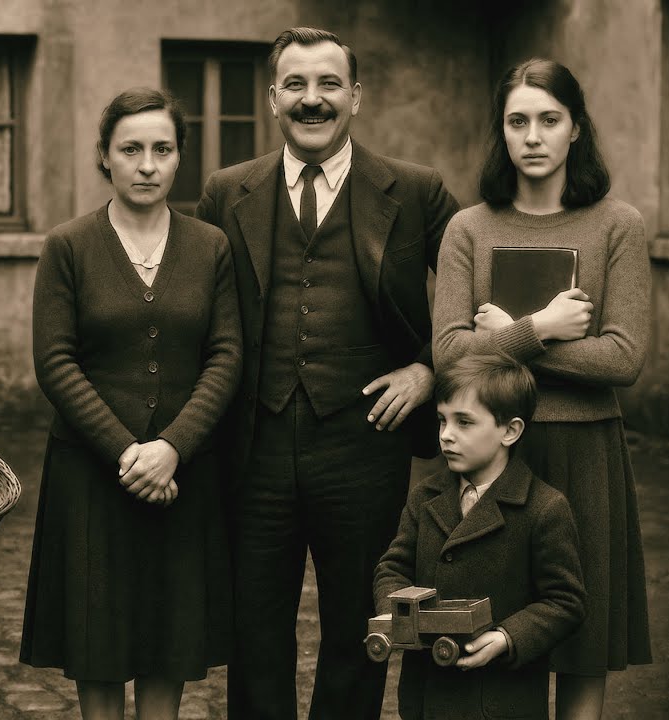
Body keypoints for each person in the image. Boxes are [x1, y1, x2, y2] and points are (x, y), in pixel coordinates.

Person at [195, 26, 460, 720]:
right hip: (253, 448)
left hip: (365, 448)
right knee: (254, 632)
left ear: (357, 96)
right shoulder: (227, 193)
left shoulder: (417, 191)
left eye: (329, 85)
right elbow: (199, 311)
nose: (313, 100)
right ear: (272, 97)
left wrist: (427, 372)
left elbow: (476, 298)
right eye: (296, 85)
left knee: (358, 630)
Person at [432, 57, 654, 720]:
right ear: (501, 132)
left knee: (581, 640)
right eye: (517, 121)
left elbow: (623, 359)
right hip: (492, 458)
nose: (532, 136)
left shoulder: (619, 225)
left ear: (575, 130)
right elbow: (448, 355)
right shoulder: (469, 228)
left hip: (586, 455)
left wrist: (514, 336)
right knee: (496, 640)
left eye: (548, 120)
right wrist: (543, 328)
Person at [20, 87, 242, 720]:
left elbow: (226, 354)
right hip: (92, 475)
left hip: (184, 472)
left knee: (168, 639)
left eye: (162, 150)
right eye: (131, 149)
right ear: (105, 158)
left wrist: (173, 447)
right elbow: (55, 361)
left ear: (179, 160)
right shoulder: (69, 246)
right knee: (99, 639)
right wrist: (128, 454)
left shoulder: (209, 247)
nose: (147, 164)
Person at [374, 351, 586, 720]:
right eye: (441, 421)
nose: (446, 436)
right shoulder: (425, 497)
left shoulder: (544, 508)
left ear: (510, 431)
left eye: (464, 422)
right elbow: (392, 567)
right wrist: (396, 614)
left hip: (500, 700)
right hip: (426, 696)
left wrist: (507, 637)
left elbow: (564, 602)